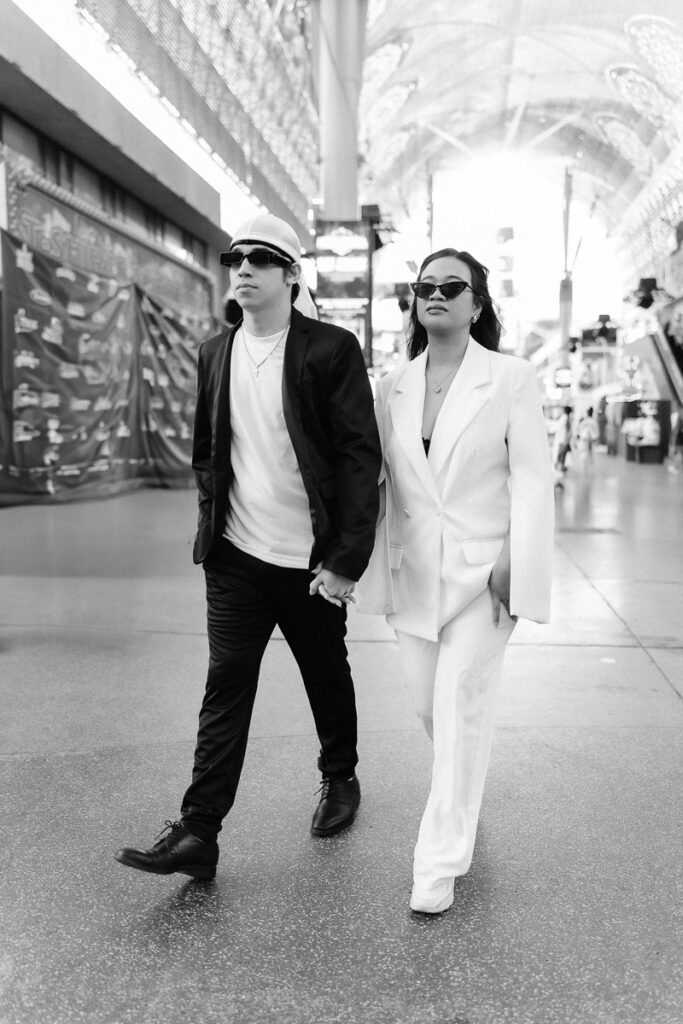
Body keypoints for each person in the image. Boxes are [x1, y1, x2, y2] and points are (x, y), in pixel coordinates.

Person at [115, 214, 381, 880]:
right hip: (235, 555)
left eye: (261, 260)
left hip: (310, 560)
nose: (244, 270)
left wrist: (345, 560)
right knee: (226, 684)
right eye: (236, 260)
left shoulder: (330, 349)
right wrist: (212, 526)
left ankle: (340, 776)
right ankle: (199, 831)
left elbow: (358, 456)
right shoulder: (216, 351)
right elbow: (209, 449)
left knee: (324, 671)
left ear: (291, 275)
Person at [358, 247, 554, 914]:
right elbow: (378, 482)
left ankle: (437, 864)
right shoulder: (393, 385)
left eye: (452, 286)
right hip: (413, 574)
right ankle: (462, 792)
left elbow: (532, 477)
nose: (436, 294)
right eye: (425, 286)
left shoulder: (510, 377)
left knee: (458, 700)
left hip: (485, 574)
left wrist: (514, 561)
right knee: (429, 709)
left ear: (476, 304)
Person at [551, 404, 572, 486]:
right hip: (563, 441)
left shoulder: (564, 418)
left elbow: (558, 428)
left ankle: (558, 475)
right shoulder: (566, 418)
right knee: (561, 457)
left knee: (560, 457)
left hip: (561, 441)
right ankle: (559, 474)